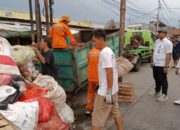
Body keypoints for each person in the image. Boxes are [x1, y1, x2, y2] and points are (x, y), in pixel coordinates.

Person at [91, 29, 123, 130]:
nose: (93, 43)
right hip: (113, 90)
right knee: (115, 112)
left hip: (106, 93)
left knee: (97, 120)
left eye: (94, 41)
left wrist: (108, 92)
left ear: (100, 39)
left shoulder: (104, 53)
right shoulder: (109, 51)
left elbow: (109, 71)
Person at [150, 29, 173, 102]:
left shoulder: (168, 43)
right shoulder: (157, 41)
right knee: (156, 78)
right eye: (158, 32)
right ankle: (157, 91)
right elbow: (155, 51)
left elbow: (168, 55)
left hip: (162, 64)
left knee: (163, 79)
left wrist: (166, 66)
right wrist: (152, 61)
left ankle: (164, 94)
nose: (158, 34)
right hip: (155, 63)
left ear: (165, 33)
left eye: (160, 33)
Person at [85, 48, 100, 115]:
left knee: (90, 92)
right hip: (99, 77)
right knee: (101, 94)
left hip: (91, 76)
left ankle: (88, 108)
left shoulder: (90, 51)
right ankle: (100, 108)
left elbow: (89, 62)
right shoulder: (103, 52)